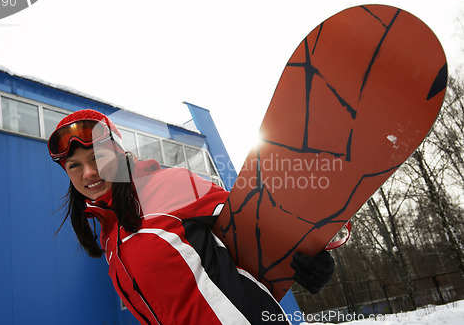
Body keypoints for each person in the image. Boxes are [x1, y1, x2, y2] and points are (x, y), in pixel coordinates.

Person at [48, 109, 334, 324]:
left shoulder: (169, 184)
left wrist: (308, 255)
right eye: (74, 165)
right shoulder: (112, 239)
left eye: (97, 158)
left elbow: (257, 221)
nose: (88, 173)